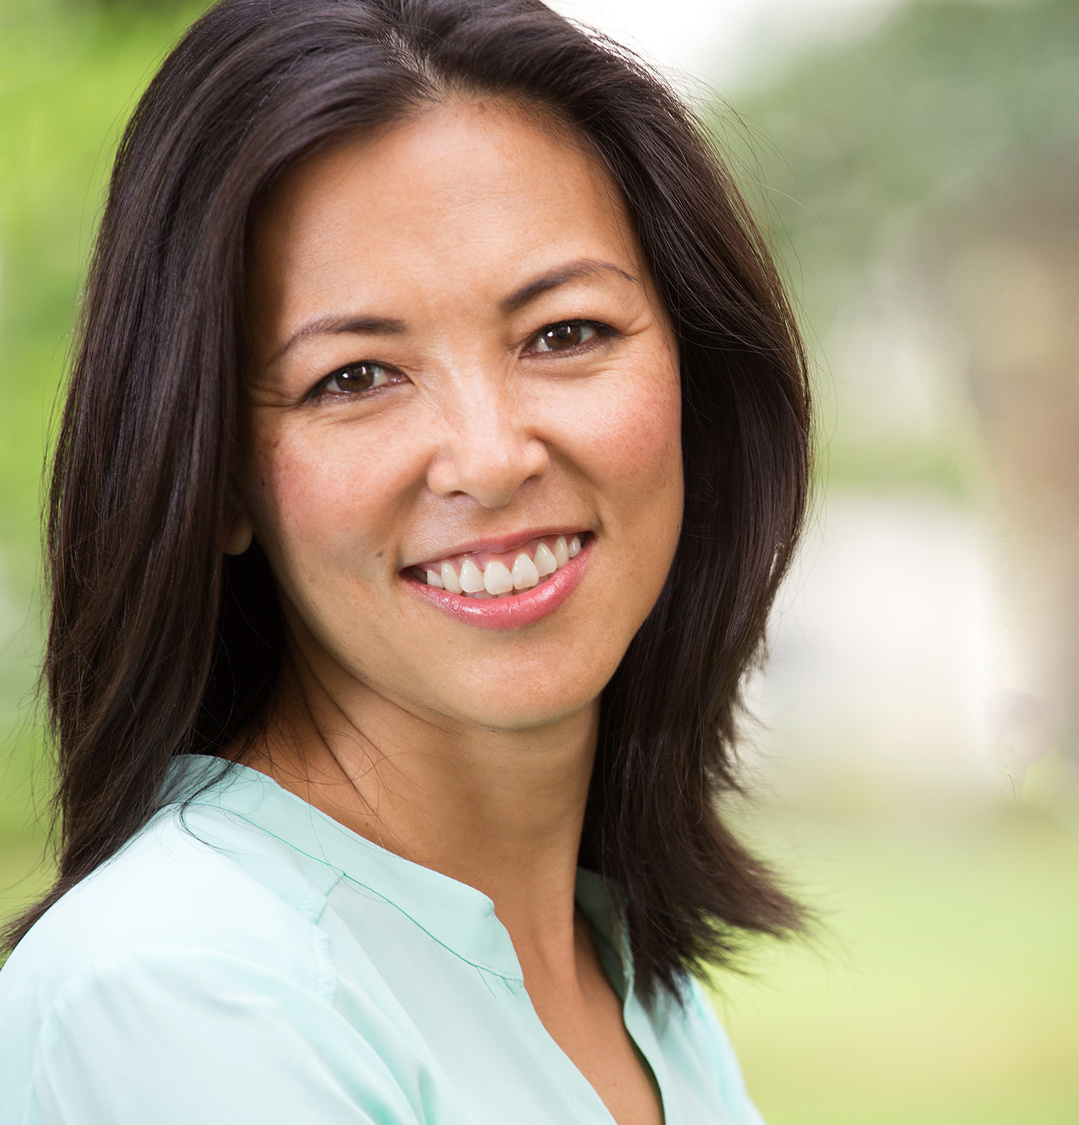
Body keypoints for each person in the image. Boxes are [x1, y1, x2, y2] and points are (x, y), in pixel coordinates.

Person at [0, 0, 810, 1121]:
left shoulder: (617, 973)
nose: (490, 458)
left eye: (564, 332)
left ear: (695, 377)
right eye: (354, 378)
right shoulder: (182, 990)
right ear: (215, 475)